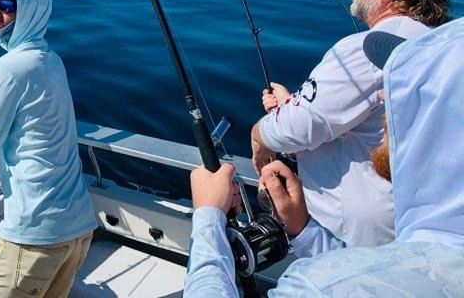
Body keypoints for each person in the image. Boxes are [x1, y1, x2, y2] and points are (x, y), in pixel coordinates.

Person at [186, 16, 464, 296]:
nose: (382, 96)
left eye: (408, 90)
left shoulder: (315, 287)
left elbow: (347, 281)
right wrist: (303, 230)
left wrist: (208, 215)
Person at [251, 0, 450, 247]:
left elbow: (294, 129)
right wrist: (294, 103)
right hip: (417, 223)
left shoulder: (363, 50)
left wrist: (260, 137)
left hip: (350, 238)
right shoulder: (441, 45)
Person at [0, 0, 96, 298]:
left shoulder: (9, 70)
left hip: (34, 237)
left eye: (6, 3)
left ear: (31, 9)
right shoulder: (52, 60)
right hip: (77, 231)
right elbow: (27, 82)